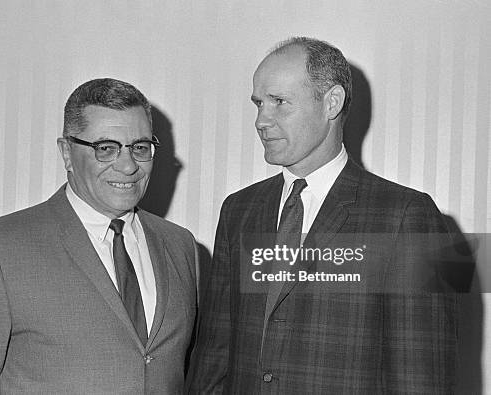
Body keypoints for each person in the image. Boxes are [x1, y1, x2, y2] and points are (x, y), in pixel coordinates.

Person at [186, 37, 456, 393]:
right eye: (258, 104)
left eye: (279, 102)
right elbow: (213, 357)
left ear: (332, 102)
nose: (261, 121)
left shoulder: (411, 215)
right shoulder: (238, 210)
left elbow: (423, 376)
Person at [0, 78, 198, 393]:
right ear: (67, 152)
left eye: (139, 147)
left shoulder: (180, 246)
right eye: (105, 148)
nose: (128, 165)